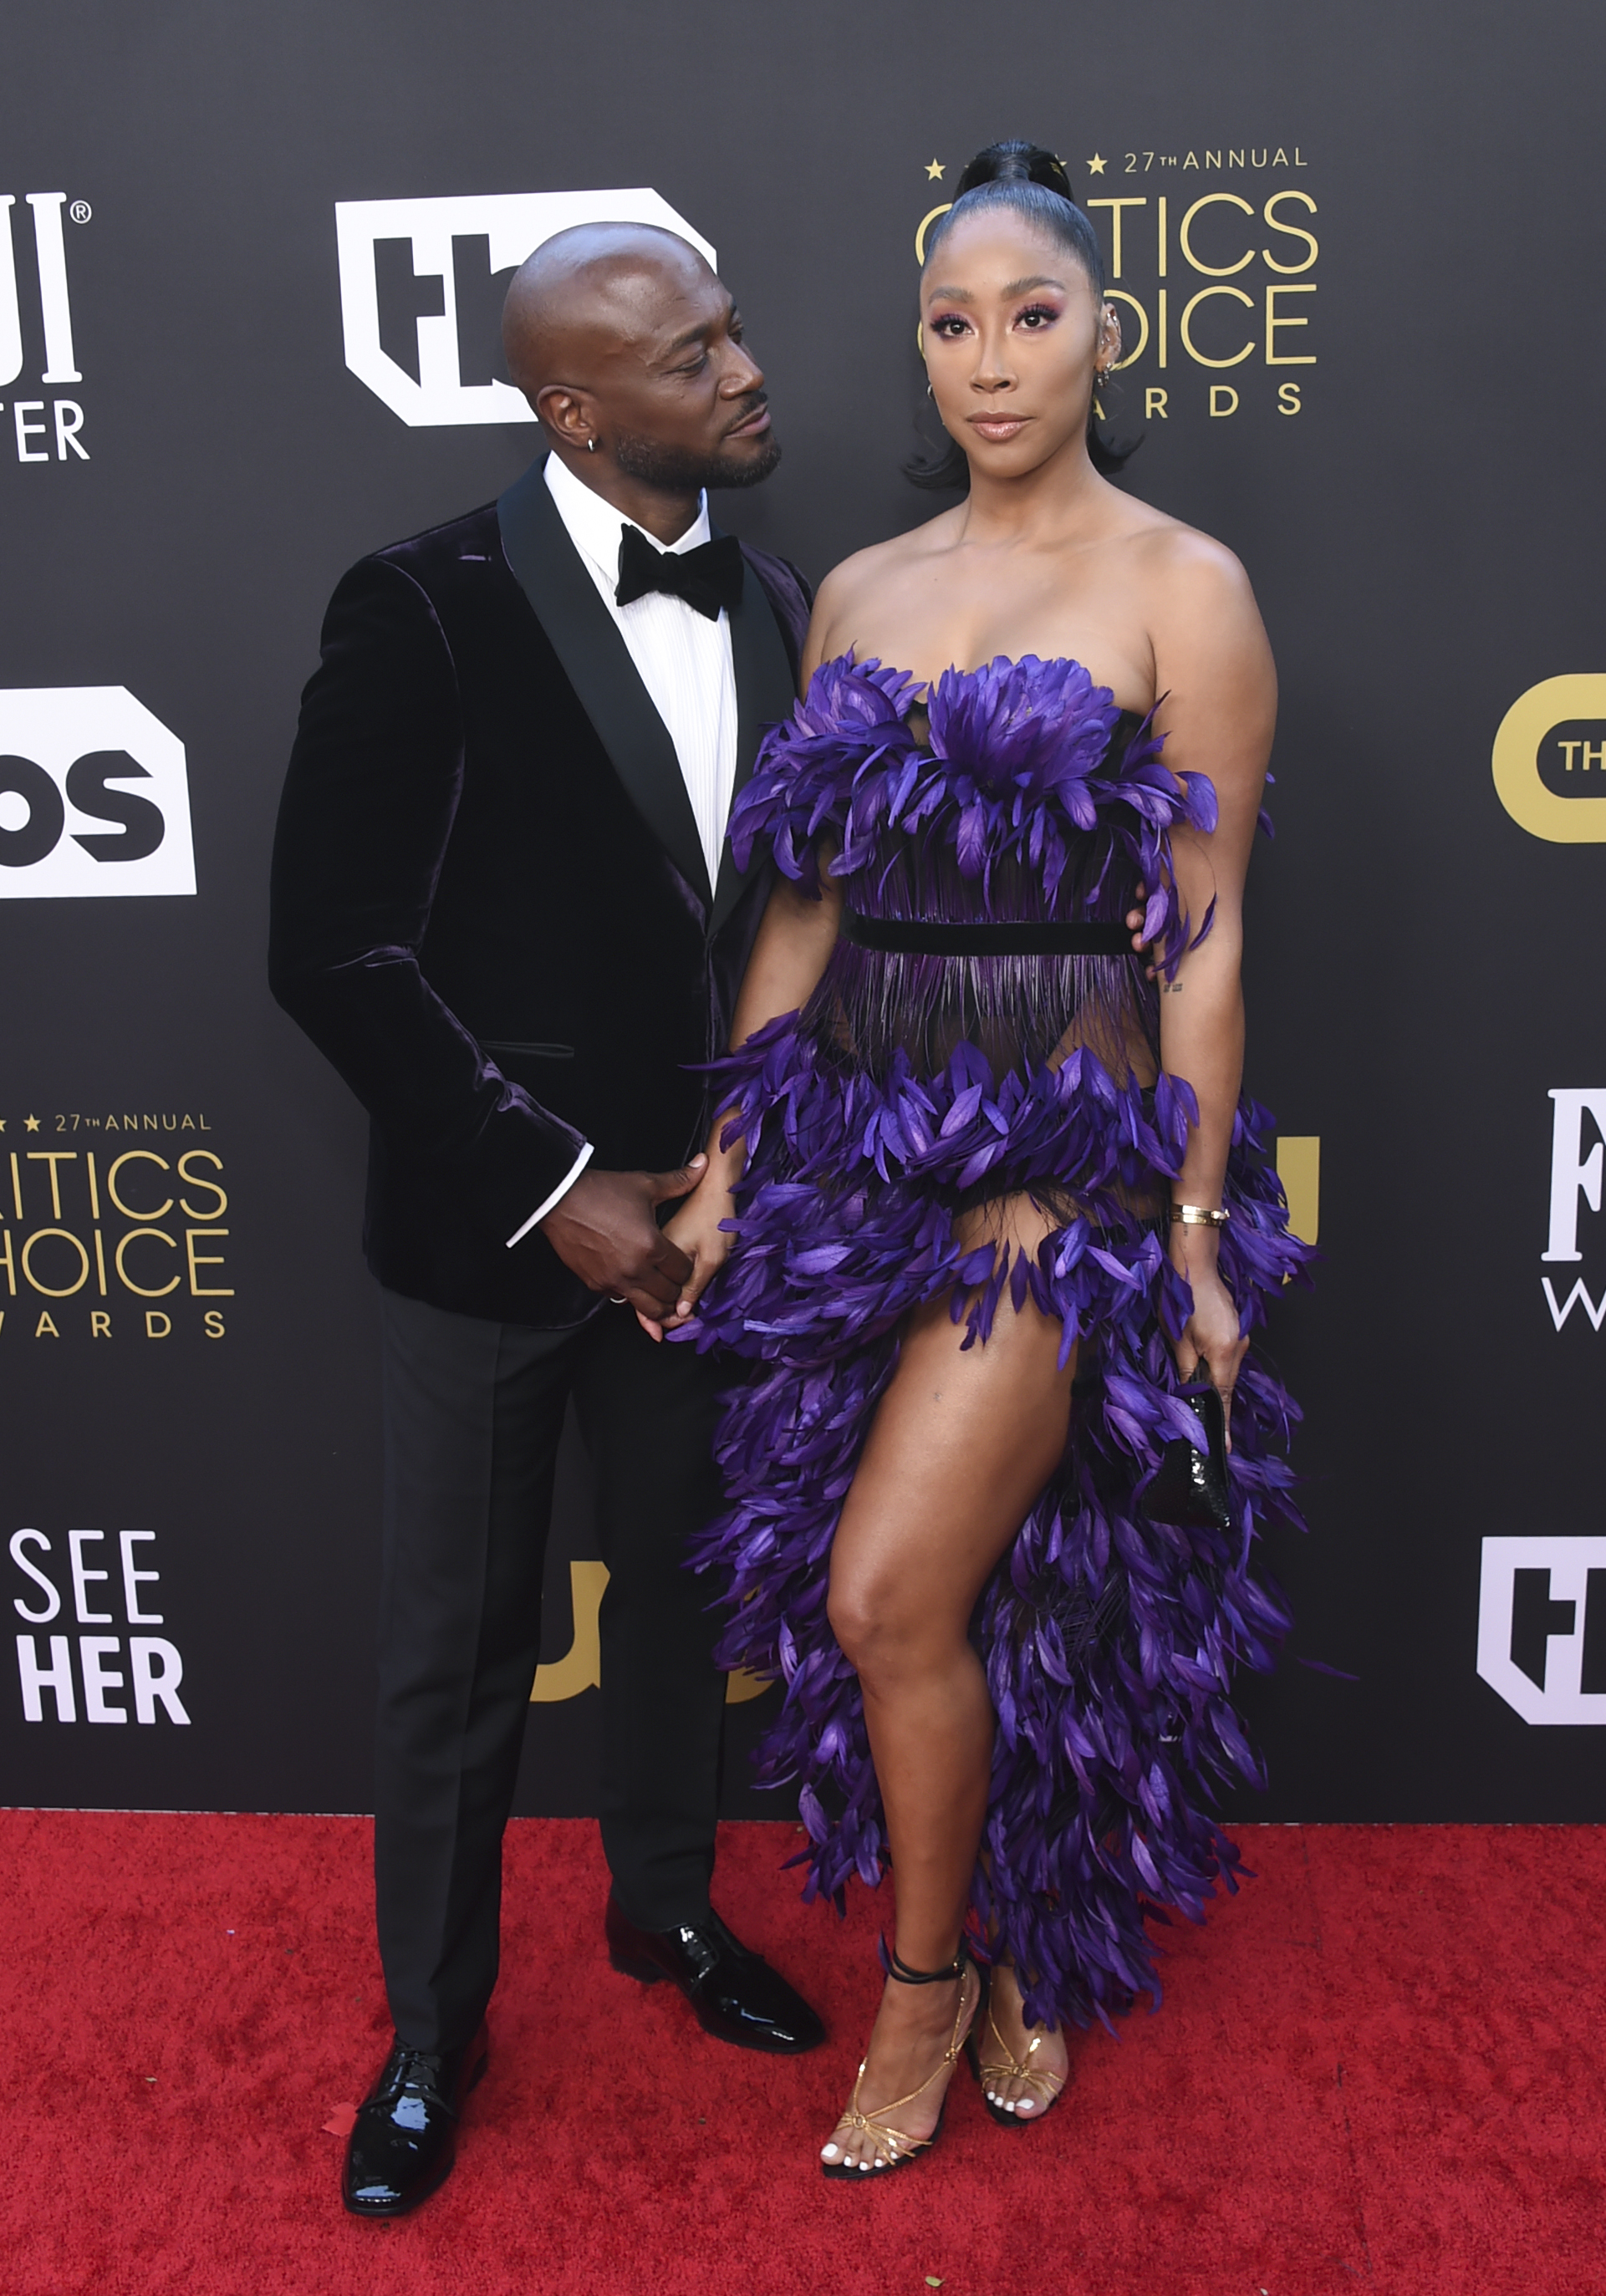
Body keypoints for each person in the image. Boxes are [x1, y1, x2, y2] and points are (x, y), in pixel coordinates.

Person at [656, 142, 1310, 2177]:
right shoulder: (858, 591)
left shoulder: (1180, 585)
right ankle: (1014, 1939)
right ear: (918, 343)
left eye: (1032, 316)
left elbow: (1198, 941)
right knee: (958, 1597)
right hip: (859, 1147)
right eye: (953, 324)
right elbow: (795, 916)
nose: (990, 361)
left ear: (1105, 330)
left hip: (1070, 1159)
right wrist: (721, 1163)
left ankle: (928, 1987)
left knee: (884, 1590)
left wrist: (1196, 1242)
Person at [268, 221, 825, 2222]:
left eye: (735, 328)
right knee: (458, 1653)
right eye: (695, 353)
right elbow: (331, 953)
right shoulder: (417, 608)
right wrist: (553, 1186)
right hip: (496, 1246)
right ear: (573, 408)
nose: (748, 369)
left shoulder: (770, 604)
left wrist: (724, 1189)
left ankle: (662, 1918)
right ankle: (431, 2032)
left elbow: (760, 934)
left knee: (686, 1616)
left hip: (711, 1242)